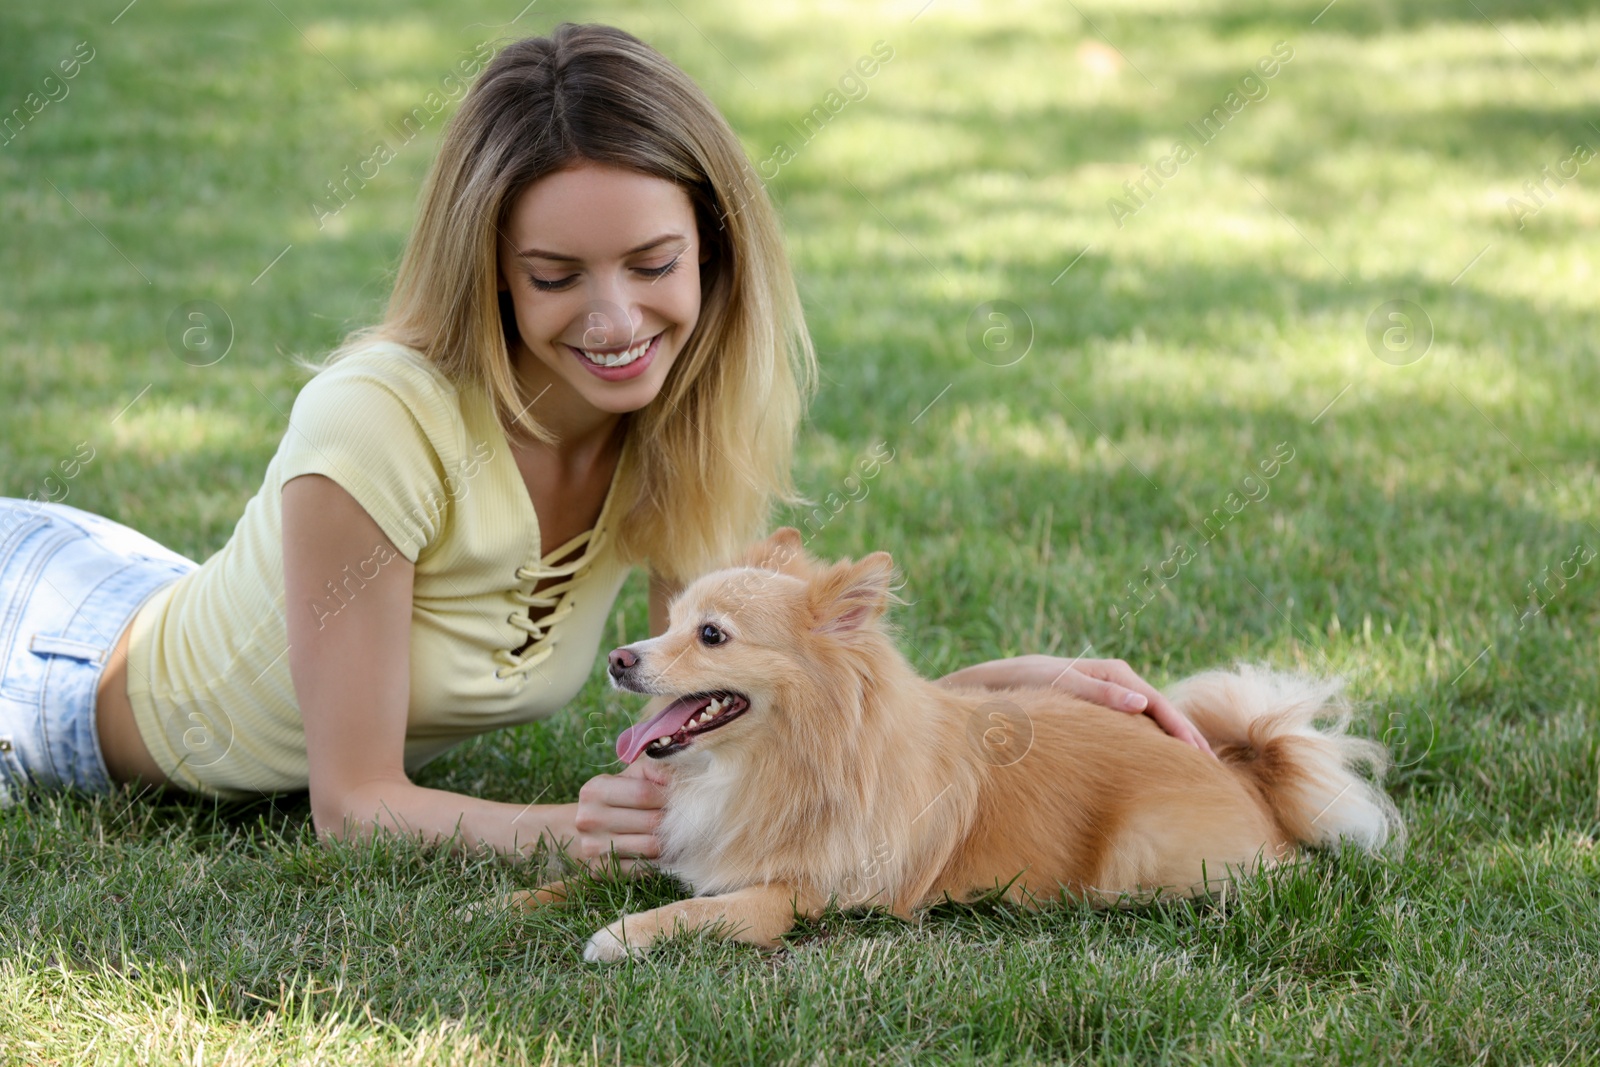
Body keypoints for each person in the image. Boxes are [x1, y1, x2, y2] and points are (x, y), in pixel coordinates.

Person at [0, 23, 1211, 873]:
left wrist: (1000, 688)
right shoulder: (375, 421)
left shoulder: (670, 424)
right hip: (45, 671)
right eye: (553, 275)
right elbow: (355, 804)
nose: (619, 321)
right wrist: (572, 826)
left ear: (713, 254)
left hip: (150, 591)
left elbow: (752, 677)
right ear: (488, 273)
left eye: (653, 264)